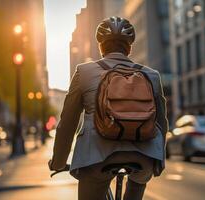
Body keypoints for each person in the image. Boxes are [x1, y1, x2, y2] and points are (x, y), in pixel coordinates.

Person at [48, 16, 168, 200]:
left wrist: (58, 162)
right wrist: (159, 161)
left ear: (101, 46)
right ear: (129, 47)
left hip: (96, 156)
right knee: (139, 180)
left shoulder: (84, 72)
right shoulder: (151, 75)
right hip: (143, 156)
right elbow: (161, 123)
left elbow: (67, 123)